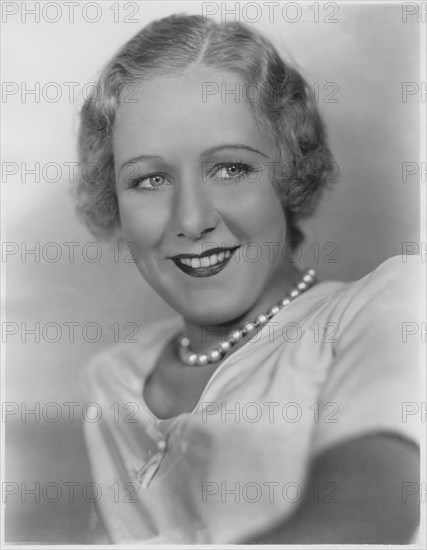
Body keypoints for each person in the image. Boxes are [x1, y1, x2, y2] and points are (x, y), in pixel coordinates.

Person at [75, 14, 420, 544]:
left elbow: (369, 516)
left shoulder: (386, 309)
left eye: (231, 168)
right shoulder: (115, 382)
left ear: (288, 173)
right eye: (150, 179)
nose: (191, 220)